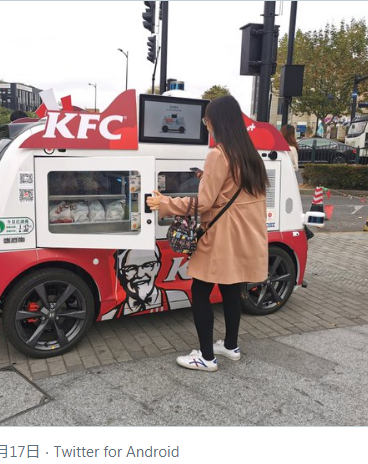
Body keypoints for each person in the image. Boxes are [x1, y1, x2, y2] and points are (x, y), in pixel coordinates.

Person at [147, 95, 269, 372]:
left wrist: (164, 203)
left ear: (216, 121)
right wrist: (207, 178)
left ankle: (206, 358)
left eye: (207, 120)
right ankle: (231, 346)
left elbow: (204, 203)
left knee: (200, 291)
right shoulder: (250, 154)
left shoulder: (218, 154)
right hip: (244, 237)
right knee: (231, 290)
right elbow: (236, 195)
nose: (206, 124)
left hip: (220, 238)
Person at [100, 245, 189, 319]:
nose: (140, 274)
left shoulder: (179, 295)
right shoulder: (110, 314)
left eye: (148, 265)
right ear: (120, 273)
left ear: (158, 267)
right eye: (131, 268)